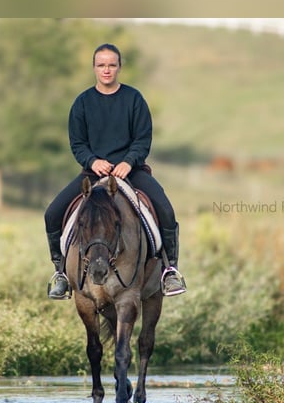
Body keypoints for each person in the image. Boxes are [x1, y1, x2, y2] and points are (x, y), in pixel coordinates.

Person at [44, 43, 187, 299]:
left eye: (111, 65)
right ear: (94, 68)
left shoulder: (134, 99)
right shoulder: (82, 103)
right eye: (101, 65)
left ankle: (170, 271)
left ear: (119, 67)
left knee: (165, 208)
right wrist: (92, 161)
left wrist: (129, 162)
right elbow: (77, 143)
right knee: (53, 213)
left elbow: (143, 139)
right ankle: (62, 274)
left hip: (130, 172)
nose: (106, 70)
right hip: (93, 173)